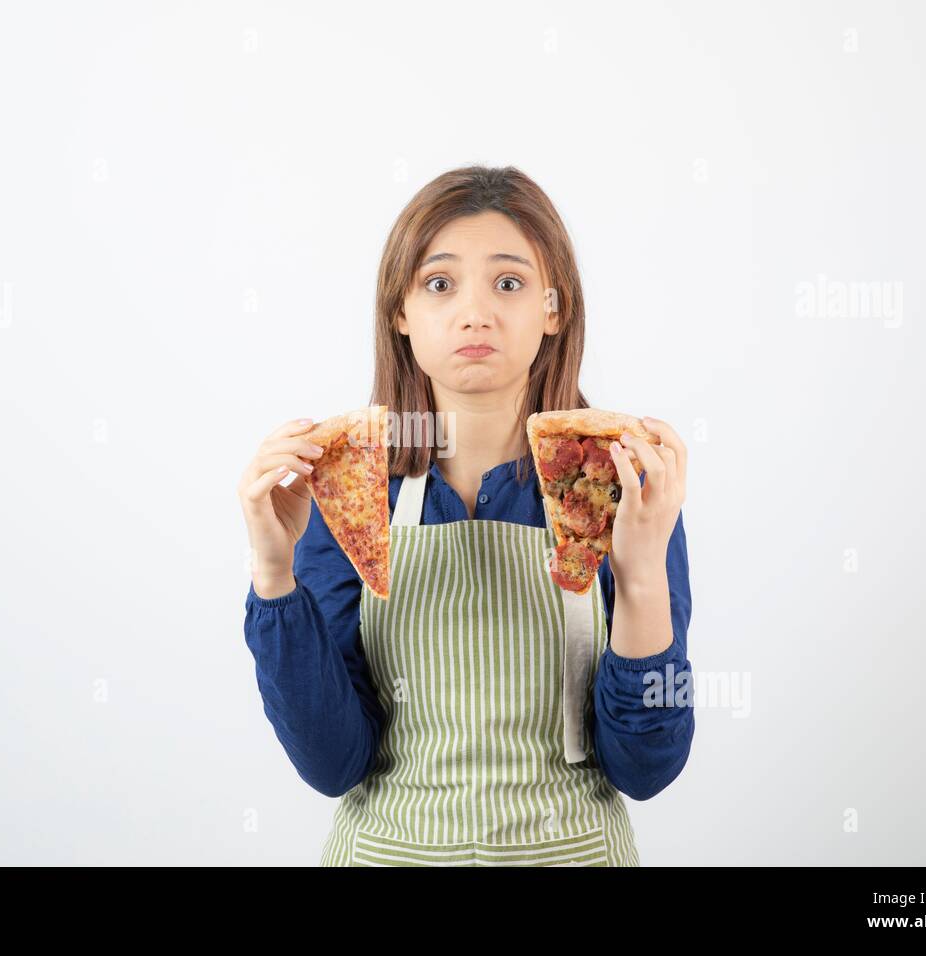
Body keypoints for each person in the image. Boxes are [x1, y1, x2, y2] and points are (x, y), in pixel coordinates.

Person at [237, 165, 692, 866]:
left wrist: (640, 579)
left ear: (554, 307)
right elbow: (333, 764)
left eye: (508, 283)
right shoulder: (349, 494)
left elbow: (646, 768)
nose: (474, 312)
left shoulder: (617, 488)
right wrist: (274, 575)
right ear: (401, 312)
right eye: (439, 284)